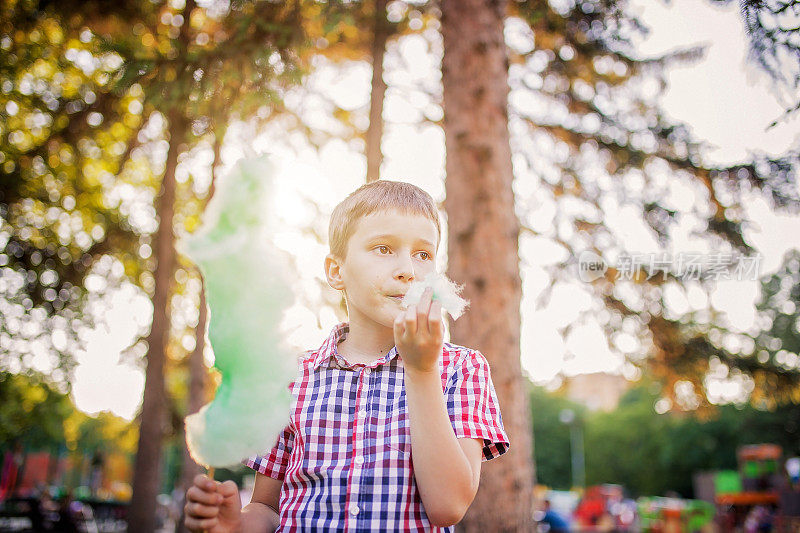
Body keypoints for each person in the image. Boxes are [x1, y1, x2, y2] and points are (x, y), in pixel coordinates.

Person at [184, 180, 510, 532]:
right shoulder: (291, 377)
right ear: (336, 271)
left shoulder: (462, 369)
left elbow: (448, 506)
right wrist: (234, 525)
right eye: (384, 248)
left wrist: (422, 370)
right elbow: (267, 507)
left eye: (423, 254)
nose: (408, 270)